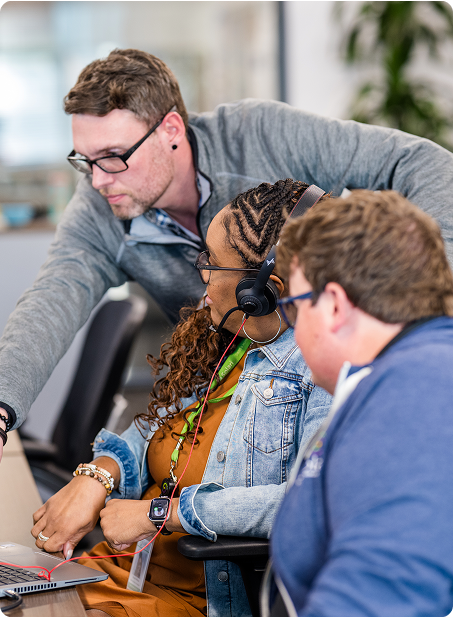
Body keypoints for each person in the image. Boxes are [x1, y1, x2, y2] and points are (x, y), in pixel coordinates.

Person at [1, 48, 453, 455]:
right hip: (214, 391)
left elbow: (420, 162)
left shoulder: (261, 134)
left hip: (308, 383)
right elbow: (49, 302)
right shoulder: (97, 205)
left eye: (114, 156)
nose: (98, 180)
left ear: (171, 130)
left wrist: (426, 293)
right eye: (84, 160)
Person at [30, 179, 333, 617]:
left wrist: (160, 513)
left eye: (214, 264)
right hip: (115, 570)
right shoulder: (233, 343)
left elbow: (306, 502)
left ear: (265, 290)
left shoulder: (319, 372)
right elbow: (152, 431)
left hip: (192, 599)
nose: (203, 274)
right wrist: (97, 476)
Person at [264, 190, 453, 616]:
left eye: (293, 308)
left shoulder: (417, 394)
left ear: (332, 306)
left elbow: (379, 597)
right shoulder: (402, 378)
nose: (293, 328)